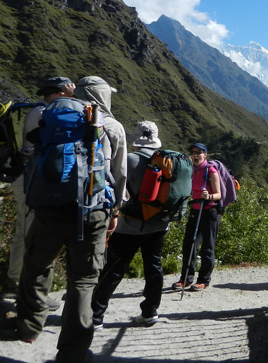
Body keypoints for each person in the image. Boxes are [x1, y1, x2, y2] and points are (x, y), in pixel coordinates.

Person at [15, 76, 126, 362]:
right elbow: (120, 175)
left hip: (49, 206)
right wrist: (114, 211)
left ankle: (29, 326)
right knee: (84, 279)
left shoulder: (46, 114)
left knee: (37, 264)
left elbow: (31, 152)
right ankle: (73, 352)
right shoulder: (110, 125)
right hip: (92, 210)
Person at [5, 77, 74, 308]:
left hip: (28, 177)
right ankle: (21, 288)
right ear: (60, 91)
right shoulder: (44, 113)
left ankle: (16, 282)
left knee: (25, 231)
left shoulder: (41, 111)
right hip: (30, 178)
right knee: (29, 232)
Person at [92, 121, 166, 328]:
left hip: (131, 225)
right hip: (159, 224)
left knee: (113, 268)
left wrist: (114, 212)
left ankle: (95, 315)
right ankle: (150, 311)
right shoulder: (167, 160)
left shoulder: (130, 160)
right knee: (154, 267)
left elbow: (118, 189)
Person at [172, 143, 221, 291]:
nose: (195, 155)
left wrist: (210, 195)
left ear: (205, 155)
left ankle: (203, 280)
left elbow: (219, 195)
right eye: (193, 152)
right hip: (195, 210)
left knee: (207, 247)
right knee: (189, 244)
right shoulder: (190, 170)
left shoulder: (211, 171)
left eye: (199, 152)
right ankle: (186, 278)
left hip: (210, 211)